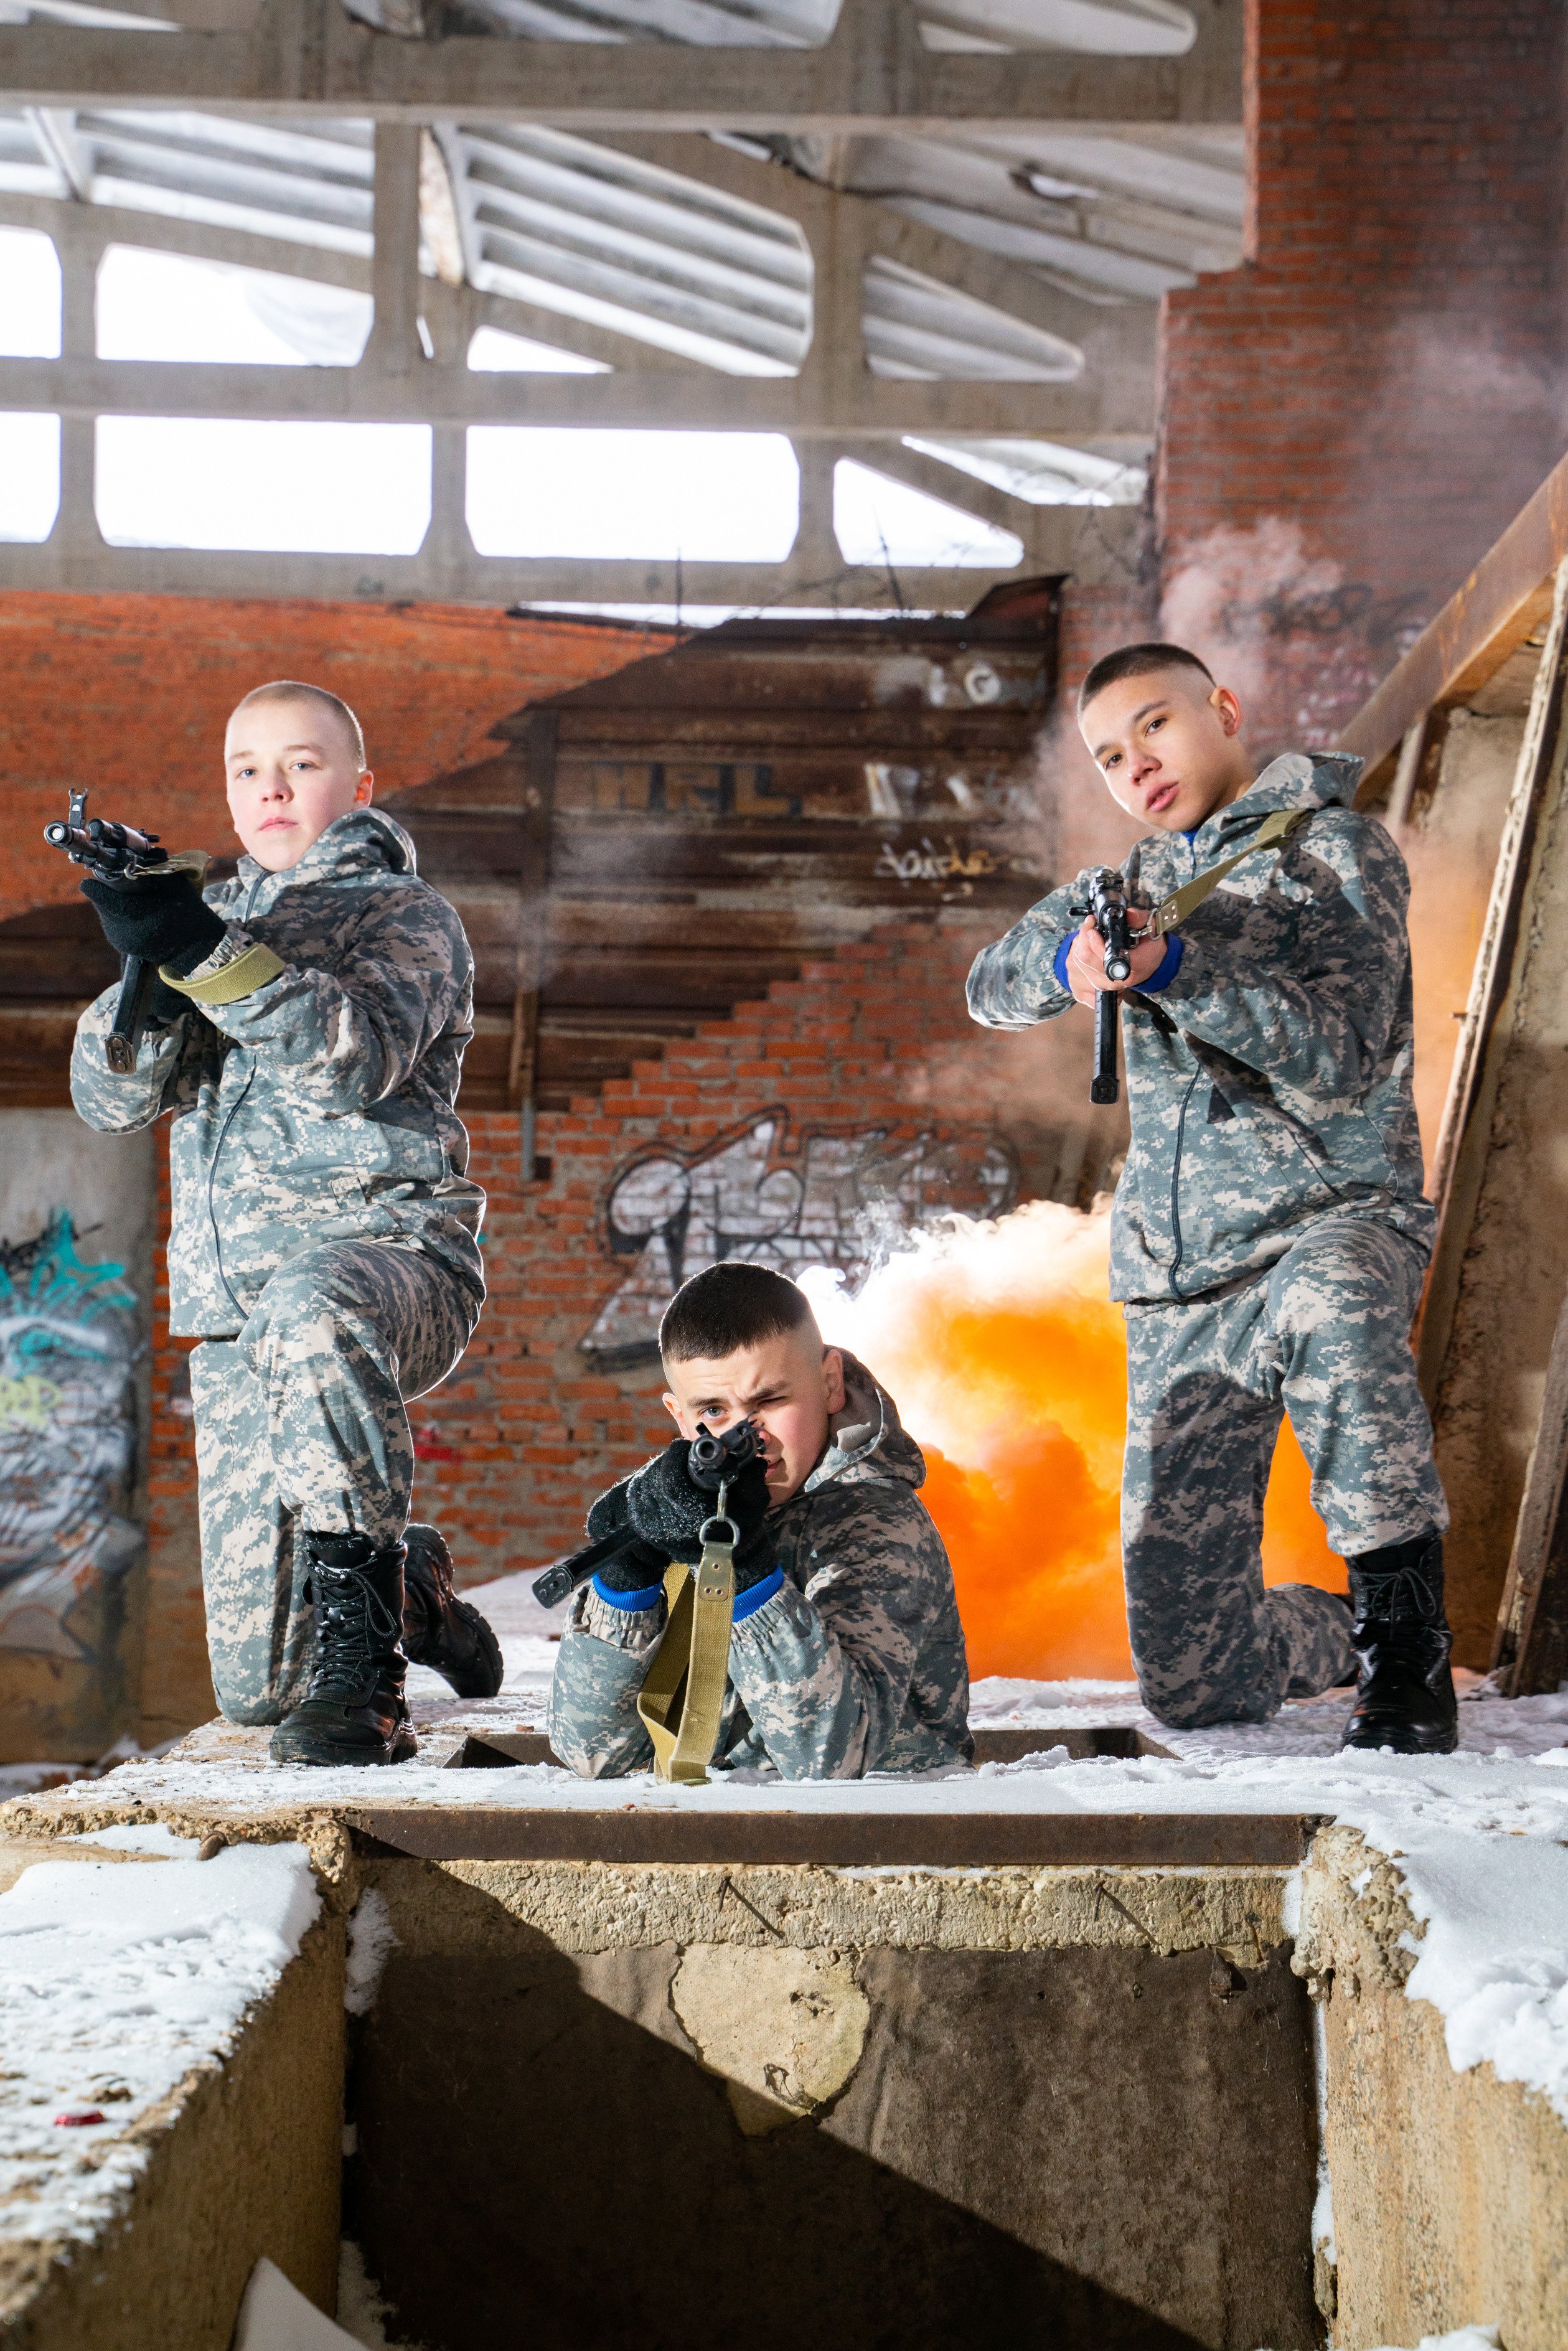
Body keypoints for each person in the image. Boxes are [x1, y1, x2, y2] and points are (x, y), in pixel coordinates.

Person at [968, 642, 1456, 1756]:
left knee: (1333, 1314)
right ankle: (1327, 1632)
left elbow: (1335, 1054)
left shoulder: (1330, 851)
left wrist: (1182, 970)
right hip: (1182, 1277)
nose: (1132, 764)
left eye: (1151, 725)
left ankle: (1403, 1653)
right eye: (1104, 755)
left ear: (1221, 710)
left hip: (1328, 1221)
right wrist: (1071, 967)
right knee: (1190, 1682)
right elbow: (984, 985)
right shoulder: (1124, 891)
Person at [69, 678, 502, 1767]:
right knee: (258, 1690)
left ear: (357, 784)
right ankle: (410, 1590)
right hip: (238, 1321)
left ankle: (370, 1690)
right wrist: (145, 964)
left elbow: (349, 1061)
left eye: (300, 763)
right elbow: (109, 1099)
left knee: (315, 1305)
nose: (271, 786)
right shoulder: (211, 926)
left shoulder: (404, 917)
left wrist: (201, 951)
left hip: (391, 1267)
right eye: (246, 768)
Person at [548, 1260, 971, 1778]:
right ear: (678, 1416)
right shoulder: (694, 1499)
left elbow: (829, 1765)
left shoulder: (880, 1522)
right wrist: (625, 1586)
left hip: (885, 1835)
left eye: (769, 1400)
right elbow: (593, 1753)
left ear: (831, 1383)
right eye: (712, 1411)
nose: (747, 1437)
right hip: (730, 1824)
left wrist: (745, 1569)